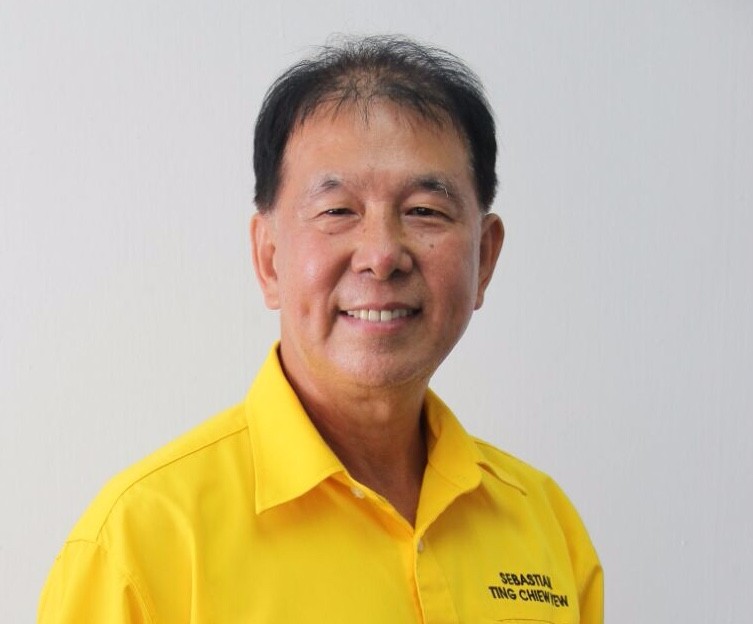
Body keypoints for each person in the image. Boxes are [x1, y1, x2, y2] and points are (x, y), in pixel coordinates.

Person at [38, 35, 602, 623]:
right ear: (268, 258)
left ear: (484, 258)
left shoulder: (546, 525)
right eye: (337, 211)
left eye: (424, 211)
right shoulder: (140, 545)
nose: (381, 255)